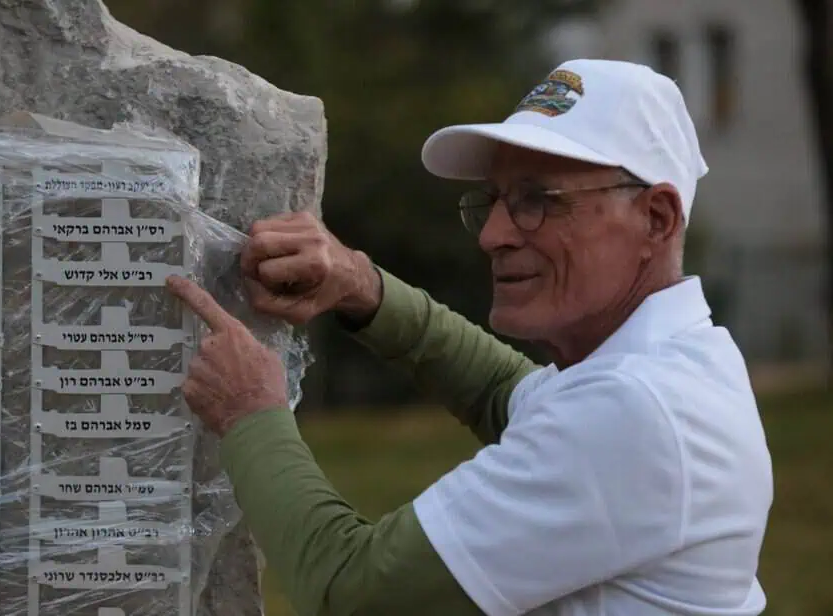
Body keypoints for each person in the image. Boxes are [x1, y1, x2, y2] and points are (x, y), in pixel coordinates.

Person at [166, 59, 774, 616]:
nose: (495, 235)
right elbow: (508, 395)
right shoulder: (673, 364)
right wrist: (361, 286)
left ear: (657, 218)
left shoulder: (635, 409)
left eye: (540, 200)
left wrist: (251, 413)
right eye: (495, 200)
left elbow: (353, 592)